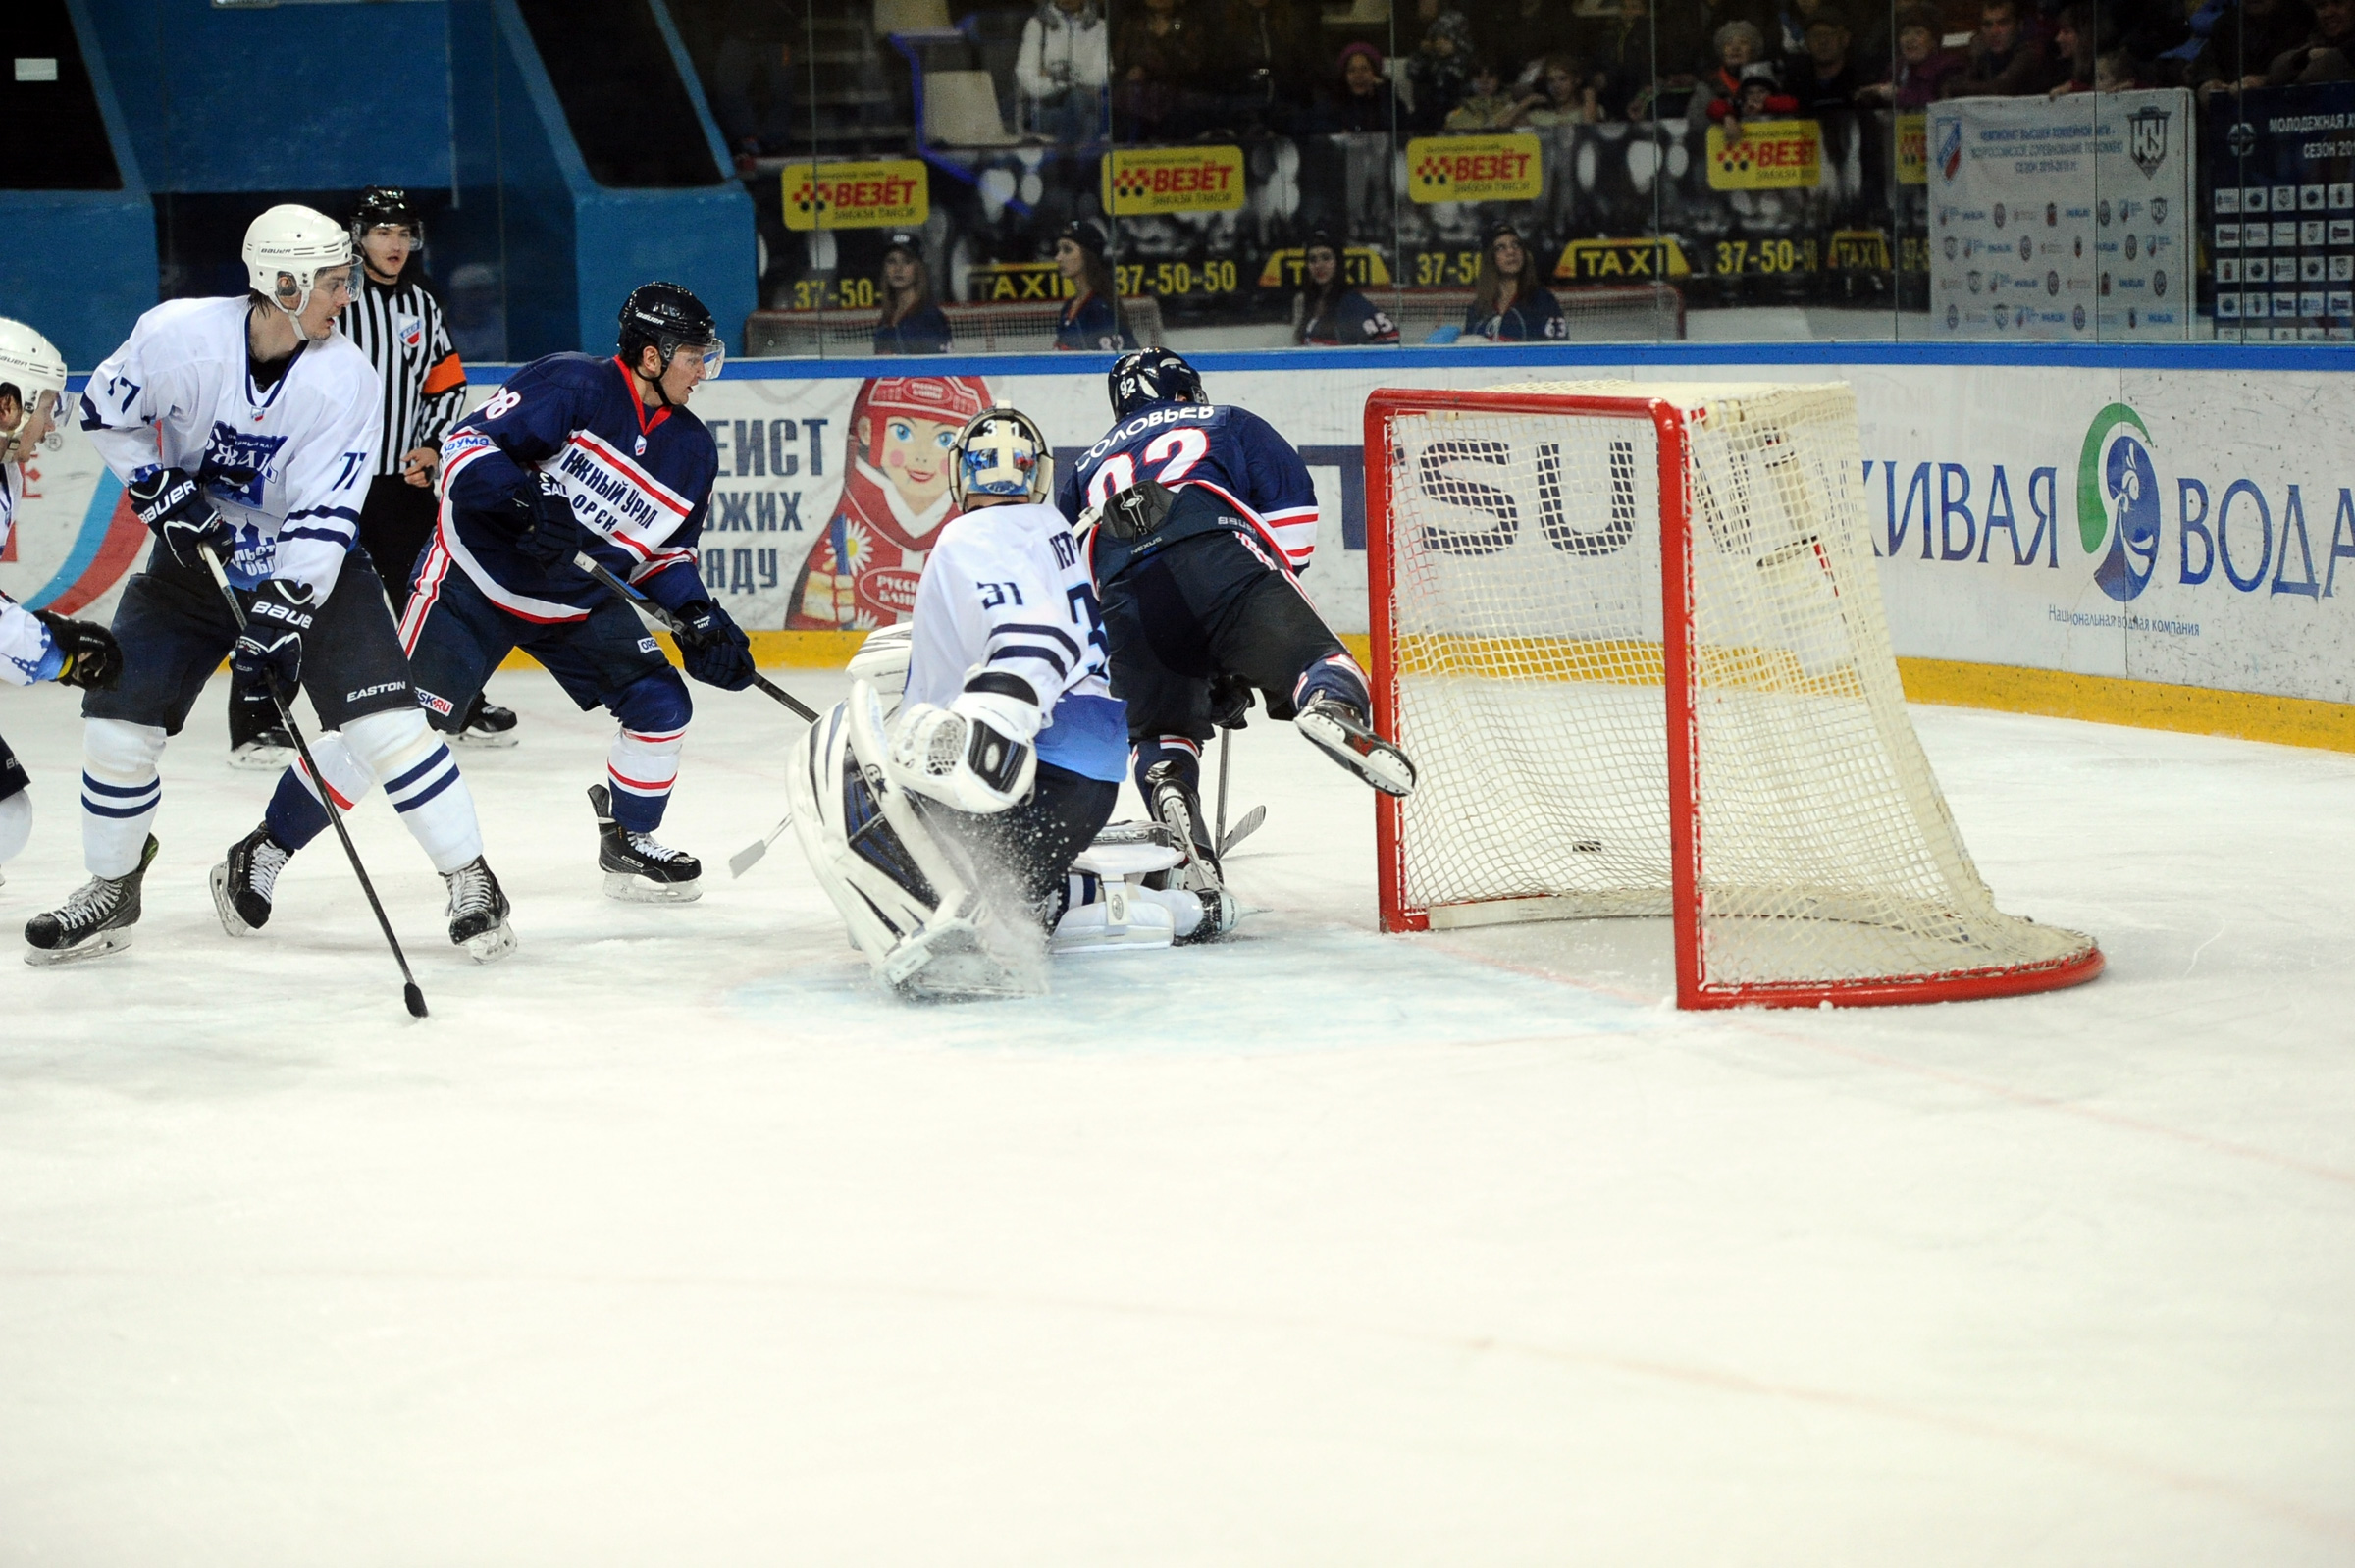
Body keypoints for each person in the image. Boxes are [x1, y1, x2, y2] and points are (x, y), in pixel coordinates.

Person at [25, 205, 510, 965]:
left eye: (346, 281)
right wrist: (154, 485)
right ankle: (113, 886)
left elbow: (327, 506)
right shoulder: (173, 336)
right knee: (118, 728)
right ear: (281, 282)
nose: (344, 298)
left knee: (389, 727)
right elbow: (104, 411)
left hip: (311, 565)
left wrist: (288, 604)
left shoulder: (347, 375)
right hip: (194, 566)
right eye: (331, 283)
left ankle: (470, 878)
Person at [790, 404, 1228, 998]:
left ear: (960, 474)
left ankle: (995, 921)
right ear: (1037, 476)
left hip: (1018, 776)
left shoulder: (968, 535)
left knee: (851, 786)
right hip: (1086, 780)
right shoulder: (1050, 528)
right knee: (1018, 898)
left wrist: (989, 722)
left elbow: (1034, 642)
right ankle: (1180, 909)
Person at [362, 284, 749, 905]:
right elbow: (464, 448)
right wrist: (520, 501)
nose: (703, 370)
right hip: (476, 583)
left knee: (660, 705)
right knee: (388, 727)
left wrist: (697, 612)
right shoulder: (574, 384)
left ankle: (629, 838)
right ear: (651, 357)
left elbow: (663, 552)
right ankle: (269, 842)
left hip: (572, 605)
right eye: (693, 356)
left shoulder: (693, 451)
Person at [1055, 349, 1417, 905]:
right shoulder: (1225, 419)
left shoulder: (1082, 470)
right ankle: (1327, 704)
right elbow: (1291, 518)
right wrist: (1237, 647)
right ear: (1183, 392)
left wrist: (1193, 663)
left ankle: (1172, 801)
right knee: (1322, 661)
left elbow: (1068, 575)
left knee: (1160, 732)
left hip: (1122, 595)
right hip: (1214, 550)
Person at [336, 187, 518, 748]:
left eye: (403, 233)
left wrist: (433, 445)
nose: (395, 244)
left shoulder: (421, 304)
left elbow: (445, 384)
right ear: (359, 237)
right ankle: (263, 719)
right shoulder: (335, 299)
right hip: (332, 481)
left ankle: (457, 705)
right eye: (383, 232)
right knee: (306, 590)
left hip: (400, 483)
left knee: (431, 592)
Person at [1, 322, 123, 888]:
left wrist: (47, 636)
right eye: (45, 404)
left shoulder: (7, 472)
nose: (52, 423)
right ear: (7, 404)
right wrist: (58, 654)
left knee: (6, 817)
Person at [785, 374, 992, 629]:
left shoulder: (972, 533)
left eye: (945, 439)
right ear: (868, 432)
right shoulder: (842, 533)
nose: (922, 457)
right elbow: (808, 629)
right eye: (902, 432)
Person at [1015, 0, 1110, 142]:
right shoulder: (1037, 25)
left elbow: (1102, 74)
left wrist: (1056, 74)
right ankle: (1084, 159)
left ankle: (1070, 159)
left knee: (1080, 103)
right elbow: (1026, 76)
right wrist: (1062, 84)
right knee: (1087, 118)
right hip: (1047, 107)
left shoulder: (1099, 27)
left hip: (1086, 104)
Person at [1111, 0, 1204, 140]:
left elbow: (1193, 63)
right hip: (1136, 98)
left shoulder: (1189, 23)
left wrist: (1165, 41)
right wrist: (1133, 70)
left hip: (1177, 98)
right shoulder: (1132, 23)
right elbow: (1120, 59)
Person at [1464, 221, 1566, 341]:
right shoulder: (1477, 309)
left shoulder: (1542, 301)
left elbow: (1560, 353)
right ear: (1489, 258)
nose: (1511, 252)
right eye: (1500, 248)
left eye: (1516, 245)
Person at [1294, 230, 1400, 345]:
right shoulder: (1308, 301)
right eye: (1312, 260)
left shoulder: (1353, 304)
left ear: (1338, 262)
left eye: (1326, 258)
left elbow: (1391, 341)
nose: (1319, 265)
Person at [1855, 5, 1963, 106]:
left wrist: (1898, 95)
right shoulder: (1896, 67)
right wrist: (1872, 93)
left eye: (1919, 33)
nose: (1910, 39)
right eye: (1905, 33)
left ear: (1933, 41)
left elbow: (1938, 105)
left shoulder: (1949, 66)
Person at [1051, 220, 1131, 351]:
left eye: (1067, 250)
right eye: (1058, 250)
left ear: (1088, 255)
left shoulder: (1100, 309)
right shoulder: (1069, 307)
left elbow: (1114, 364)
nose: (1058, 258)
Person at [873, 232, 953, 355]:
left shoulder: (929, 318)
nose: (898, 269)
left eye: (906, 261)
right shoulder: (885, 322)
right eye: (891, 261)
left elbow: (938, 369)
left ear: (918, 268)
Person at [1945, 0, 2047, 95]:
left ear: (2019, 26)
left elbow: (2000, 88)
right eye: (1988, 25)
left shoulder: (2030, 52)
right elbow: (1959, 83)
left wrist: (1956, 87)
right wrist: (1974, 58)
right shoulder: (1983, 52)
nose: (1994, 32)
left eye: (2003, 23)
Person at [2267, 0, 2355, 81]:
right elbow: (2278, 69)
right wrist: (2305, 56)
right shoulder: (2316, 39)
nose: (2328, 13)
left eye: (2338, 3)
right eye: (2321, 6)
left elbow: (2322, 70)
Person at [1321, 41, 1395, 132]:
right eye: (1352, 70)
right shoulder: (1333, 101)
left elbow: (1396, 126)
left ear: (1375, 74)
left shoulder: (1388, 99)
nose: (1358, 75)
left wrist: (1383, 93)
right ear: (1345, 76)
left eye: (1364, 69)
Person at [1516, 54, 1602, 126]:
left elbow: (1590, 133)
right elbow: (1503, 129)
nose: (1557, 86)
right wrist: (1528, 101)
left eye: (1563, 79)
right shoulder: (1538, 116)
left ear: (1576, 80)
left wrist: (1589, 99)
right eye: (1551, 80)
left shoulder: (1592, 110)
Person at [1444, 58, 1527, 128]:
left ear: (1499, 79)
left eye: (1490, 76)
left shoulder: (1513, 109)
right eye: (1478, 75)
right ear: (1470, 80)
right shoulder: (1456, 114)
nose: (1484, 81)